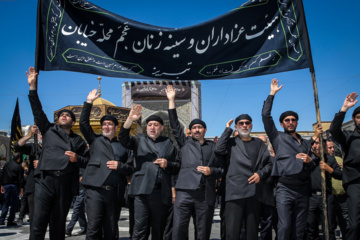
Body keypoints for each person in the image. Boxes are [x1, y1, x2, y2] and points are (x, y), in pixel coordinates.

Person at [26, 67, 89, 240]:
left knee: (58, 223)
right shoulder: (49, 130)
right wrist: (33, 87)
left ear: (73, 121)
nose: (64, 116)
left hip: (65, 182)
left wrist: (77, 158)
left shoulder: (78, 141)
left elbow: (87, 161)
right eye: (61, 114)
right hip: (45, 180)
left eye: (67, 115)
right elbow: (37, 110)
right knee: (38, 222)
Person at [261, 78, 321, 239]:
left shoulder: (304, 142)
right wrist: (272, 94)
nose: (290, 122)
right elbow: (266, 116)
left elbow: (312, 155)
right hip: (285, 188)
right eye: (287, 120)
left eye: (293, 120)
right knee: (285, 225)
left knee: (299, 228)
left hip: (303, 189)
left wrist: (310, 159)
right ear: (281, 124)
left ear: (297, 122)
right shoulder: (277, 137)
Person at [166, 85, 223, 240]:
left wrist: (211, 171)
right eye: (194, 128)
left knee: (203, 231)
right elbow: (174, 124)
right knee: (179, 229)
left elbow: (222, 169)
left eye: (200, 127)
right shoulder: (185, 143)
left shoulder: (213, 147)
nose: (197, 130)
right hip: (184, 192)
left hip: (204, 194)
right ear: (190, 131)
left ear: (205, 130)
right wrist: (171, 100)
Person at [118, 104, 180, 240]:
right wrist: (129, 119)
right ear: (147, 127)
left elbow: (177, 166)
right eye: (150, 125)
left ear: (161, 128)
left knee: (159, 229)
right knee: (140, 228)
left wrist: (167, 164)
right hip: (142, 190)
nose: (152, 127)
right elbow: (123, 138)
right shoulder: (139, 139)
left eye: (156, 125)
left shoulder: (169, 143)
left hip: (161, 192)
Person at [79, 89, 134, 239]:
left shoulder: (124, 146)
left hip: (114, 193)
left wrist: (120, 166)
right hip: (95, 191)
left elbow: (131, 167)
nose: (106, 126)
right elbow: (83, 124)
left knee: (111, 228)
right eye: (104, 124)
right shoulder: (95, 141)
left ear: (116, 127)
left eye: (110, 124)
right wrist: (89, 102)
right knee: (94, 227)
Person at [215, 117, 272, 240]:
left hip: (254, 193)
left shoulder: (259, 143)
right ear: (236, 127)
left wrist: (260, 174)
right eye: (241, 123)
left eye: (247, 123)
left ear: (251, 126)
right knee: (232, 231)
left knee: (252, 232)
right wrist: (227, 130)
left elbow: (269, 164)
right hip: (234, 192)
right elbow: (218, 149)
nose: (244, 125)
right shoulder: (230, 143)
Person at [329, 92, 360, 239]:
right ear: (354, 119)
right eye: (359, 117)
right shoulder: (348, 136)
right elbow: (334, 130)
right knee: (354, 224)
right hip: (355, 183)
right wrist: (344, 109)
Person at [307, 138, 342, 240]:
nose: (315, 146)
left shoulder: (329, 159)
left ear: (323, 145)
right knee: (310, 227)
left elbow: (340, 175)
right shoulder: (310, 159)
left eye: (317, 143)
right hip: (311, 197)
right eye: (313, 143)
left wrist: (329, 169)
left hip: (326, 196)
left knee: (328, 227)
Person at [13, 125, 42, 229]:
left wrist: (42, 163)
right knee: (33, 216)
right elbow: (17, 146)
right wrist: (30, 135)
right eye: (41, 134)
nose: (42, 137)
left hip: (47, 185)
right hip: (33, 184)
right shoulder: (33, 147)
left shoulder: (52, 149)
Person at [327, 140, 349, 239]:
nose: (332, 150)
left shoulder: (340, 160)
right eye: (329, 148)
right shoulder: (323, 162)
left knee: (346, 224)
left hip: (342, 197)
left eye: (333, 147)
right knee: (330, 225)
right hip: (330, 197)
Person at [257, 135, 277, 240]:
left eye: (264, 142)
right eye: (259, 141)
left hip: (268, 197)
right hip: (253, 197)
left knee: (267, 225)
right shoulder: (250, 158)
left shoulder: (273, 160)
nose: (262, 144)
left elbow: (276, 180)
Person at [0, 153, 23, 226]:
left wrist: (2, 185)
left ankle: (2, 219)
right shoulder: (18, 167)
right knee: (14, 203)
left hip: (6, 185)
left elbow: (2, 175)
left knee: (5, 202)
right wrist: (21, 188)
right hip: (14, 185)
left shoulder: (6, 165)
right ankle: (10, 220)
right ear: (18, 158)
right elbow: (20, 179)